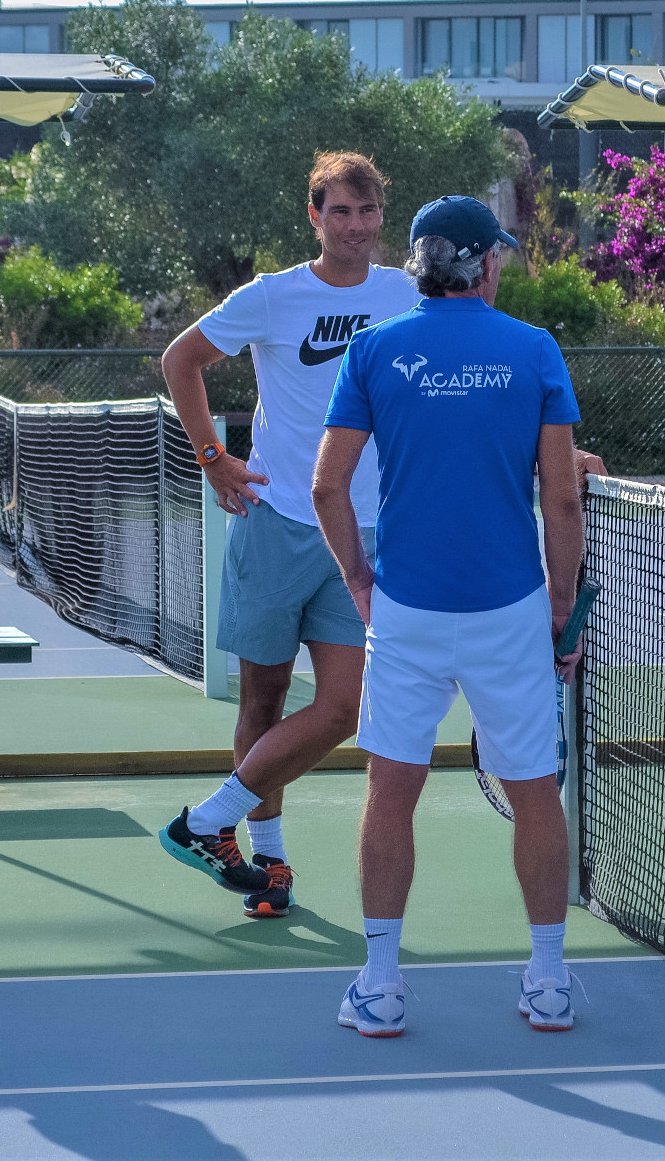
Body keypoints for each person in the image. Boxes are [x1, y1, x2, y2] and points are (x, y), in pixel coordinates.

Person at [314, 195, 588, 1037]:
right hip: (511, 609)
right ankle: (547, 979)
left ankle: (382, 984)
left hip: (407, 609)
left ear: (420, 265)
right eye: (498, 254)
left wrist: (360, 577)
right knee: (535, 790)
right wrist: (561, 603)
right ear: (484, 265)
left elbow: (328, 486)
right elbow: (564, 497)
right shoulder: (534, 350)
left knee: (390, 787)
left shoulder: (372, 350)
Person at [157, 152, 420, 918]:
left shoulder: (406, 295)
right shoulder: (273, 296)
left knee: (343, 709)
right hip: (274, 523)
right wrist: (214, 459)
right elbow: (181, 360)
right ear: (314, 215)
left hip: (362, 535)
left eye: (369, 213)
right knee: (263, 701)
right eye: (341, 212)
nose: (357, 227)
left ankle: (206, 821)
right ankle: (268, 863)